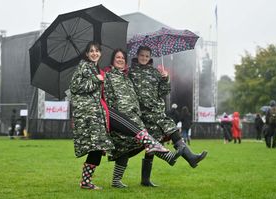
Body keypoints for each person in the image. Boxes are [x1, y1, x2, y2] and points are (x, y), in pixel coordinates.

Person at [69, 42, 179, 190]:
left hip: (123, 115)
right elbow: (77, 88)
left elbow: (153, 92)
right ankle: (157, 148)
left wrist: (165, 79)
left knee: (98, 148)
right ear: (87, 54)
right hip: (103, 113)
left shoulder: (123, 76)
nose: (94, 53)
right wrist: (97, 79)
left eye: (96, 51)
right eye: (91, 51)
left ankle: (86, 182)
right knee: (128, 140)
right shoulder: (100, 72)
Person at [129, 45, 207, 186]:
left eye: (147, 56)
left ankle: (190, 158)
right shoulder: (130, 72)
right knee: (153, 142)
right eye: (142, 55)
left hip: (156, 111)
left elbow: (164, 92)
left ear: (150, 57)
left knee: (163, 135)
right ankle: (190, 158)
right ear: (137, 55)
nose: (144, 58)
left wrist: (165, 78)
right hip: (142, 114)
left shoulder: (155, 72)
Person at [103, 49, 182, 188]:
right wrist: (115, 117)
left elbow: (158, 91)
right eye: (117, 57)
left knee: (127, 147)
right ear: (112, 60)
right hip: (120, 117)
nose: (120, 59)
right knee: (128, 145)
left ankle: (117, 181)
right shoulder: (109, 76)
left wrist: (165, 78)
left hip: (134, 117)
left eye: (122, 57)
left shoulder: (125, 76)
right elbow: (108, 98)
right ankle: (168, 156)